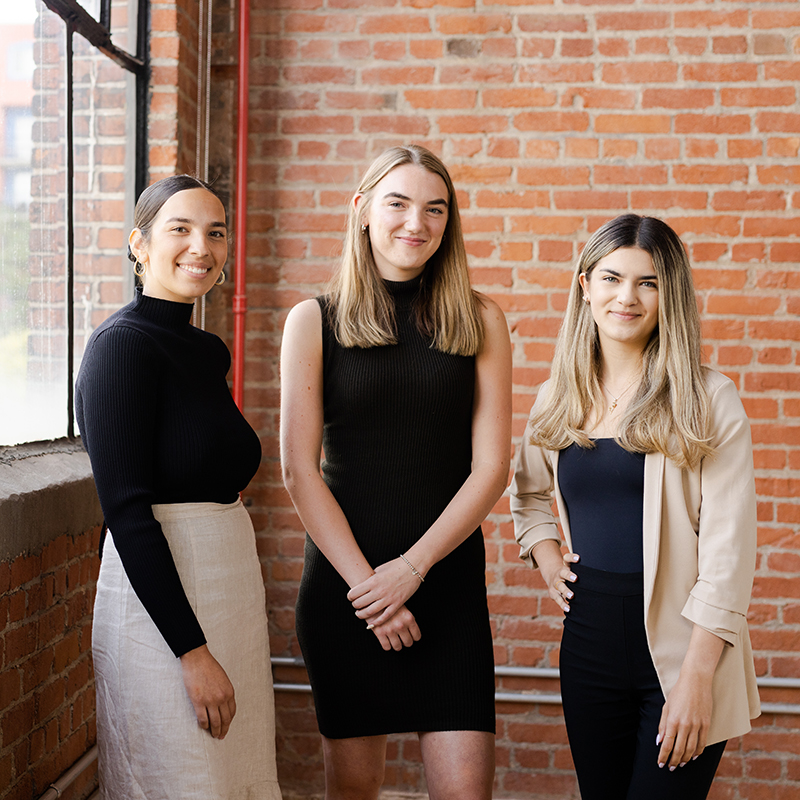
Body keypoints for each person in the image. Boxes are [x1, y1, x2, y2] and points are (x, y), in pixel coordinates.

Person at [280, 144, 512, 800]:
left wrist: (412, 569)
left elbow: (492, 467)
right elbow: (298, 470)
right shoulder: (313, 321)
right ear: (362, 209)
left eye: (435, 209)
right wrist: (371, 591)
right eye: (399, 203)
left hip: (446, 586)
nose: (417, 222)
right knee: (355, 790)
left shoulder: (480, 319)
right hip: (349, 594)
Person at [509, 214, 761, 800]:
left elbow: (728, 557)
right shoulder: (556, 397)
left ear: (670, 296)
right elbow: (527, 494)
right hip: (588, 646)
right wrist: (547, 559)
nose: (627, 297)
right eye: (611, 278)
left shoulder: (708, 399)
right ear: (585, 286)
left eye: (648, 283)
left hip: (685, 650)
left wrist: (696, 678)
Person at [76, 175, 282, 799]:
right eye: (180, 229)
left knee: (236, 777)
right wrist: (192, 653)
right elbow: (127, 514)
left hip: (229, 590)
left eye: (215, 232)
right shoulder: (120, 347)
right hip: (163, 610)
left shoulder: (206, 351)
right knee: (179, 779)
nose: (202, 247)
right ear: (139, 244)